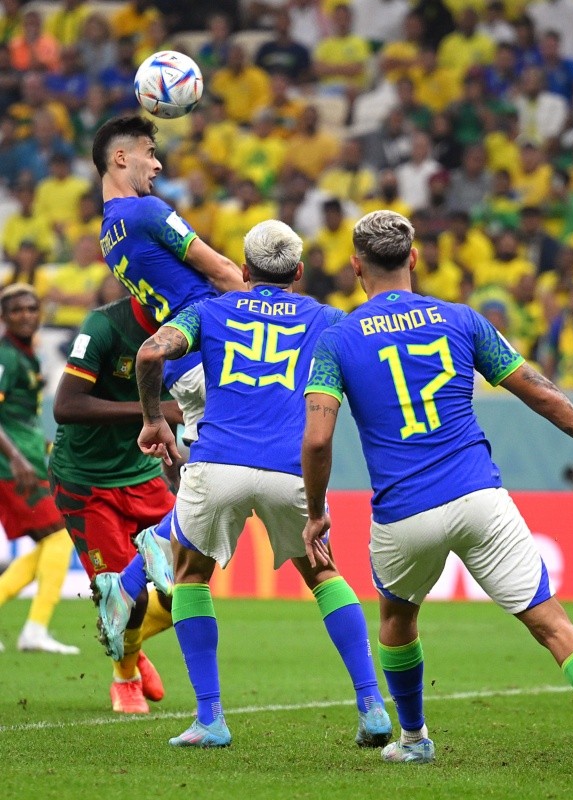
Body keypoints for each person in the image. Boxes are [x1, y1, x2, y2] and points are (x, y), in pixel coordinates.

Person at [300, 210, 573, 774]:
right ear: (414, 258)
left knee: (397, 617)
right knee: (551, 621)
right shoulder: (462, 320)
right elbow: (538, 392)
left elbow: (318, 441)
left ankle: (415, 735)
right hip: (479, 497)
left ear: (354, 266)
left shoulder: (338, 339)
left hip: (403, 512)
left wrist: (317, 512)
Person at [134, 220, 392, 750]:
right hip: (288, 468)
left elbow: (150, 353)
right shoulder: (327, 318)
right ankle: (371, 707)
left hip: (217, 463)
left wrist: (152, 420)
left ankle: (210, 719)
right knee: (323, 574)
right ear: (299, 272)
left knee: (190, 577)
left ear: (245, 272)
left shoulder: (209, 310)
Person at [49, 294, 181, 713]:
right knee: (127, 595)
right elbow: (66, 406)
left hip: (142, 475)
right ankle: (125, 678)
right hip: (86, 481)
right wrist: (154, 412)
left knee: (186, 586)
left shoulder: (188, 324)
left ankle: (132, 644)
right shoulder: (104, 325)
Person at [91, 114, 245, 445]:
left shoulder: (107, 237)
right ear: (121, 157)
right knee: (275, 456)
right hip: (211, 351)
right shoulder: (145, 210)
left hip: (180, 368)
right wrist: (271, 311)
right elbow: (218, 269)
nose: (157, 164)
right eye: (149, 153)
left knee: (209, 475)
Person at [0, 283, 78, 654]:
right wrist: (16, 457)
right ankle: (35, 628)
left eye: (32, 308)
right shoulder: (6, 357)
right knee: (60, 536)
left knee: (52, 541)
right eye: (17, 310)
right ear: (3, 317)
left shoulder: (24, 354)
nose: (26, 315)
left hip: (26, 461)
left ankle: (35, 628)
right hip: (11, 467)